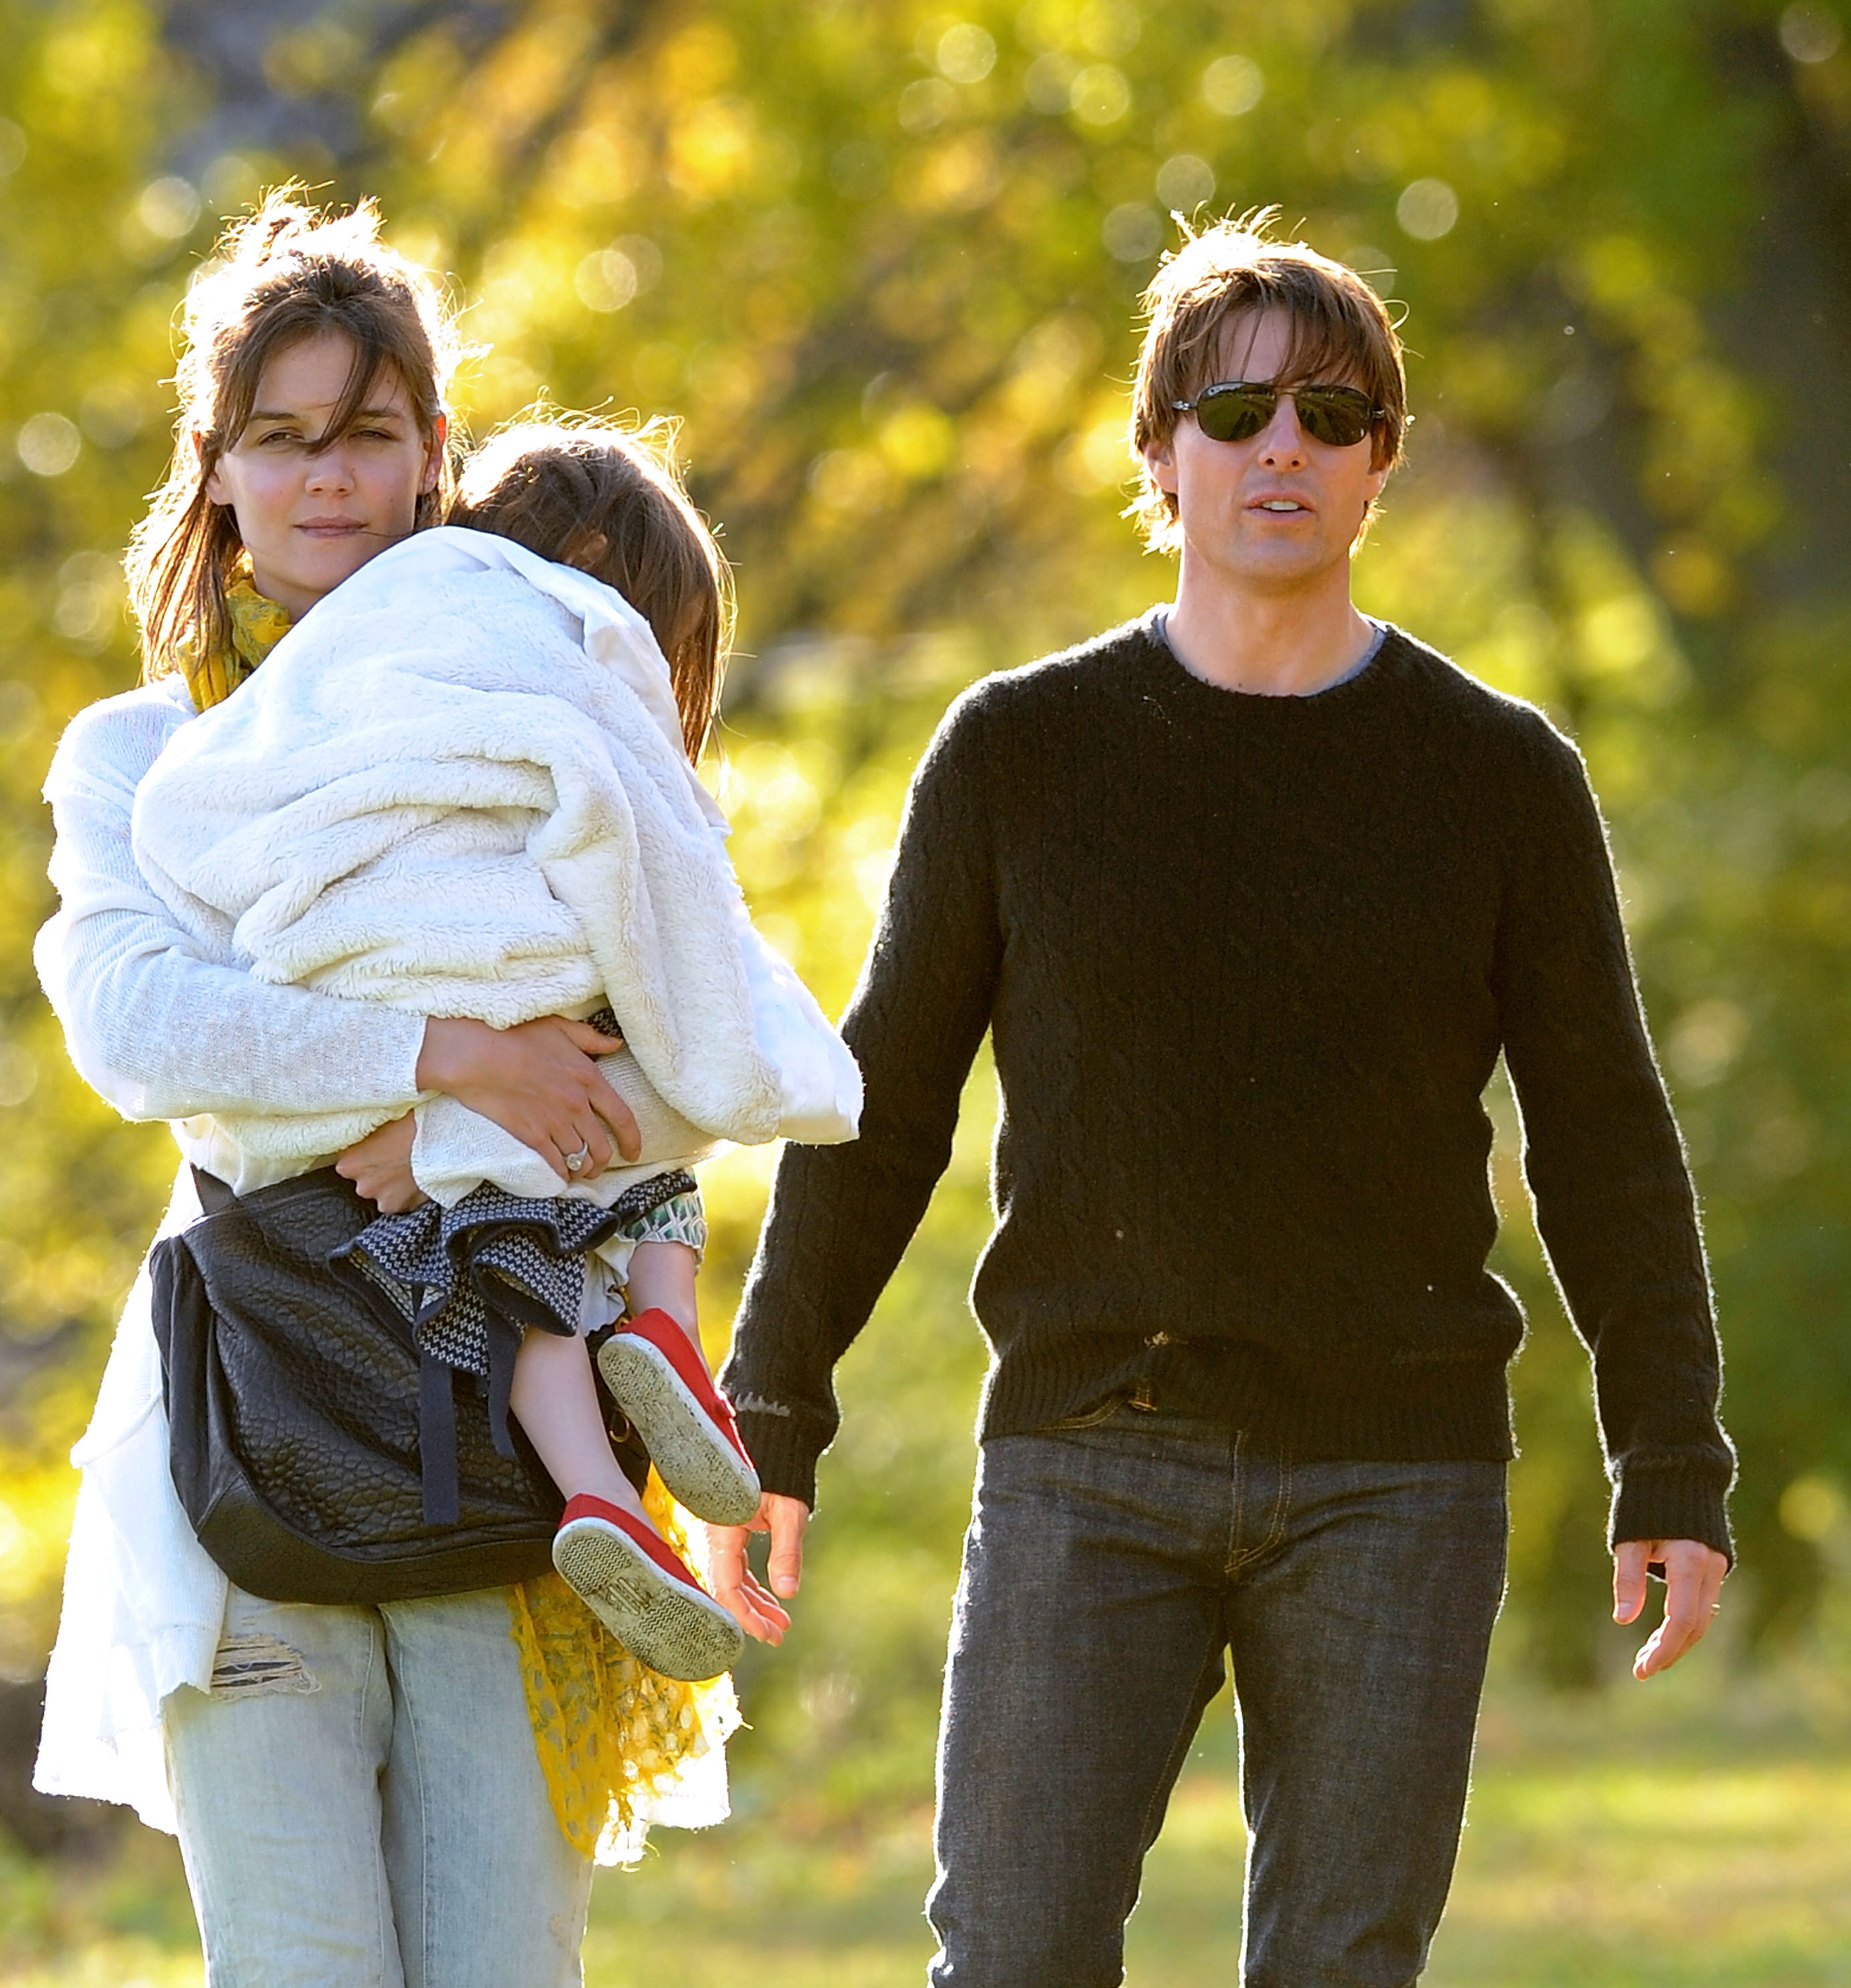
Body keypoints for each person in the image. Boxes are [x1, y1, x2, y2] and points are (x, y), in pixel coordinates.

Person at [707, 213, 1737, 1988]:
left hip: (1396, 1477)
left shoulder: (1498, 779)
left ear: (1381, 464)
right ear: (1161, 453)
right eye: (1240, 405)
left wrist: (1673, 1457)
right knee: (1015, 1955)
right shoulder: (1018, 756)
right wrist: (769, 1405)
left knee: (1346, 1966)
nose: (1286, 445)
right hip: (1087, 1455)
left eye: (1334, 416)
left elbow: (1605, 1138)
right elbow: (883, 1114)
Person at [32, 192, 742, 1986]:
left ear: (436, 454)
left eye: (365, 436)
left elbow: (685, 1060)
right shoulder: (144, 756)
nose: (327, 481)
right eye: (281, 440)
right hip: (253, 1446)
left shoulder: (552, 738)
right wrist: (450, 1059)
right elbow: (136, 1025)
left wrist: (442, 1129)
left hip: (517, 1467)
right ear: (218, 472)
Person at [123, 418, 859, 1681]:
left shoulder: (353, 667)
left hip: (370, 1024)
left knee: (499, 1257)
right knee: (638, 1190)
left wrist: (443, 1116)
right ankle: (665, 1336)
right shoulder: (574, 663)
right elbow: (687, 1004)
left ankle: (595, 1493)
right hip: (504, 1011)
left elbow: (203, 834)